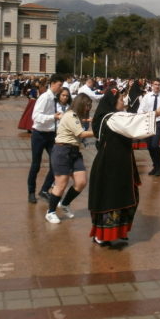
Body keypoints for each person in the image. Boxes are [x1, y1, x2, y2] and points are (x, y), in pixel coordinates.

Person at [88, 89, 160, 245]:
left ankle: (120, 231)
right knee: (111, 199)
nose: (124, 102)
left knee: (125, 196)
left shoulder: (110, 117)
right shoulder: (113, 118)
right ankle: (103, 235)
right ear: (113, 102)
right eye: (121, 99)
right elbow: (133, 122)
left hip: (118, 163)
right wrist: (156, 113)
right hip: (111, 165)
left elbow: (130, 120)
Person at [44, 93, 95, 224]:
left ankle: (65, 203)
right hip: (62, 151)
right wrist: (100, 132)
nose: (88, 108)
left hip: (74, 151)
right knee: (61, 184)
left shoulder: (76, 116)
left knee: (81, 182)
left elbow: (81, 126)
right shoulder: (70, 115)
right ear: (81, 104)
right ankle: (50, 212)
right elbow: (81, 133)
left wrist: (89, 121)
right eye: (87, 105)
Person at [27, 73, 64, 204]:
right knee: (36, 164)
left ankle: (44, 190)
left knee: (56, 163)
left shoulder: (54, 98)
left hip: (51, 135)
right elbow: (36, 117)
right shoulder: (44, 97)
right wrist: (52, 117)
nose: (61, 88)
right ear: (53, 83)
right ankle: (31, 192)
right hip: (39, 134)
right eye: (59, 85)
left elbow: (57, 114)